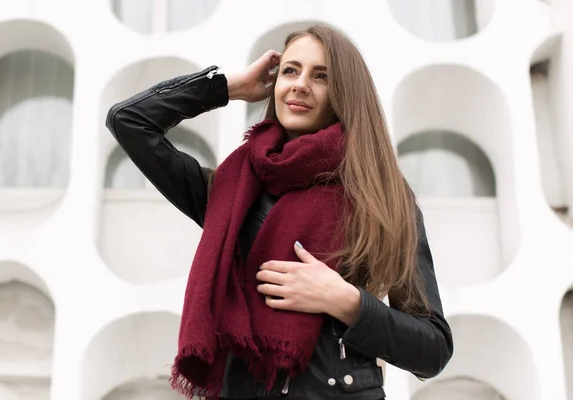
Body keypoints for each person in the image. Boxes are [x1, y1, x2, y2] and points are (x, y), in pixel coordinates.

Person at [106, 24, 453, 400]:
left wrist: (345, 301)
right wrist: (227, 88)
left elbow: (432, 349)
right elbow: (129, 121)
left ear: (346, 93)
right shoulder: (228, 190)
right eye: (290, 70)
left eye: (321, 76)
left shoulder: (381, 196)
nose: (300, 84)